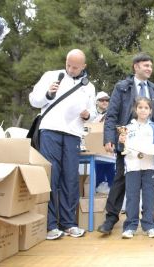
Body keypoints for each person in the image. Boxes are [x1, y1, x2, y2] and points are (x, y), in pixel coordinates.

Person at [98, 52, 154, 235]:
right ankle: (111, 218)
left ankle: (149, 219)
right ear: (136, 67)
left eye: (151, 66)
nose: (149, 69)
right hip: (127, 145)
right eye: (146, 65)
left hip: (151, 146)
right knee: (121, 179)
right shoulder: (121, 87)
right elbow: (112, 114)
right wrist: (108, 138)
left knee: (149, 184)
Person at [29, 49, 96, 240]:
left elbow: (93, 113)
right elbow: (33, 100)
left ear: (83, 66)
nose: (71, 69)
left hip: (73, 134)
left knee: (71, 179)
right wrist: (48, 94)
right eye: (68, 65)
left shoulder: (89, 87)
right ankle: (50, 225)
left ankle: (69, 224)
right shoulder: (51, 75)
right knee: (51, 176)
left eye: (75, 67)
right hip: (49, 130)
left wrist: (88, 115)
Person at [120, 97, 154, 239]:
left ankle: (149, 225)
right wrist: (121, 141)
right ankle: (130, 226)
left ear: (150, 111)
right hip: (132, 167)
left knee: (149, 197)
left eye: (146, 108)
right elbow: (121, 148)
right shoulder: (127, 128)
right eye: (140, 107)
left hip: (150, 167)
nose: (143, 110)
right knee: (132, 197)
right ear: (135, 109)